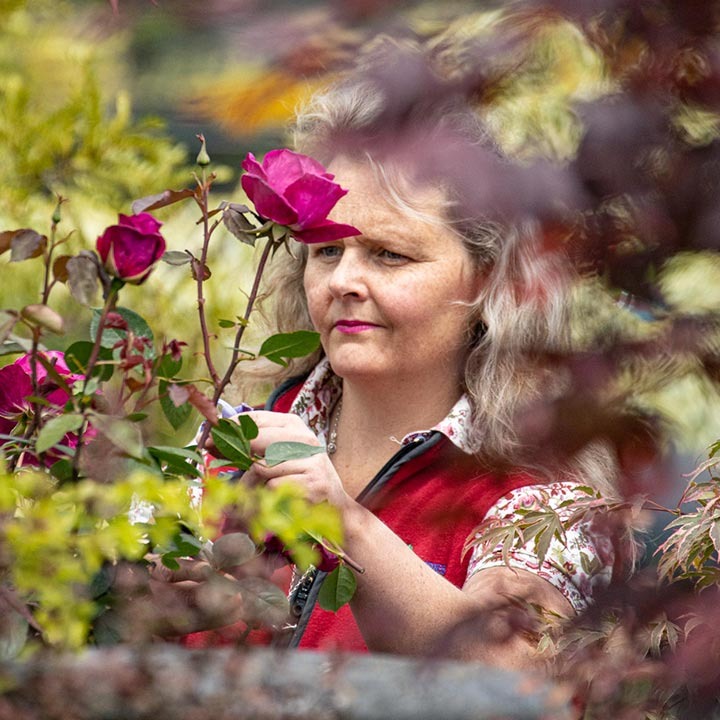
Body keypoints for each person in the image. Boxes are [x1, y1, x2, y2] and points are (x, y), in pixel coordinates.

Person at [182, 43, 618, 669]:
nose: (342, 281)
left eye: (391, 255)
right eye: (327, 251)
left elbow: (514, 683)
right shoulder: (231, 444)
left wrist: (346, 525)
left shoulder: (541, 500)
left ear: (488, 280)